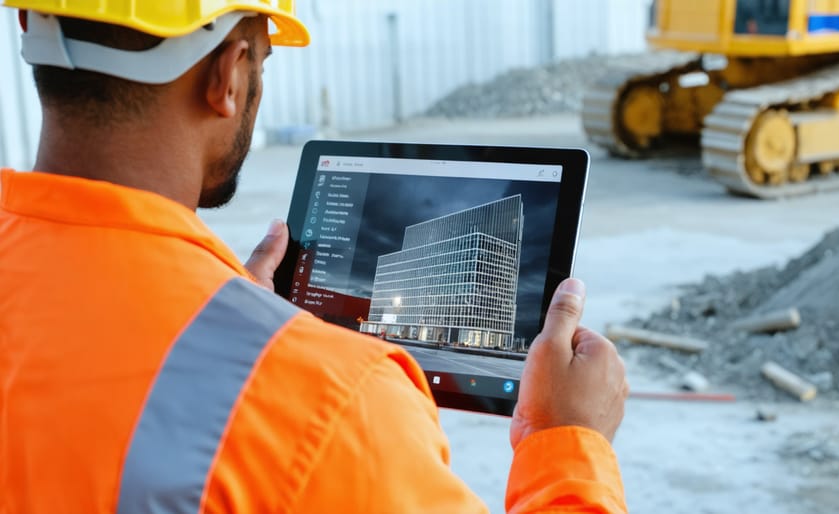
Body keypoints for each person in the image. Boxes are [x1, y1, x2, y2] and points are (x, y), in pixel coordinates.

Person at [0, 1, 630, 512]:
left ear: (30, 26)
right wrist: (564, 441)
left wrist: (229, 325)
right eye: (264, 63)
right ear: (230, 75)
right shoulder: (335, 402)